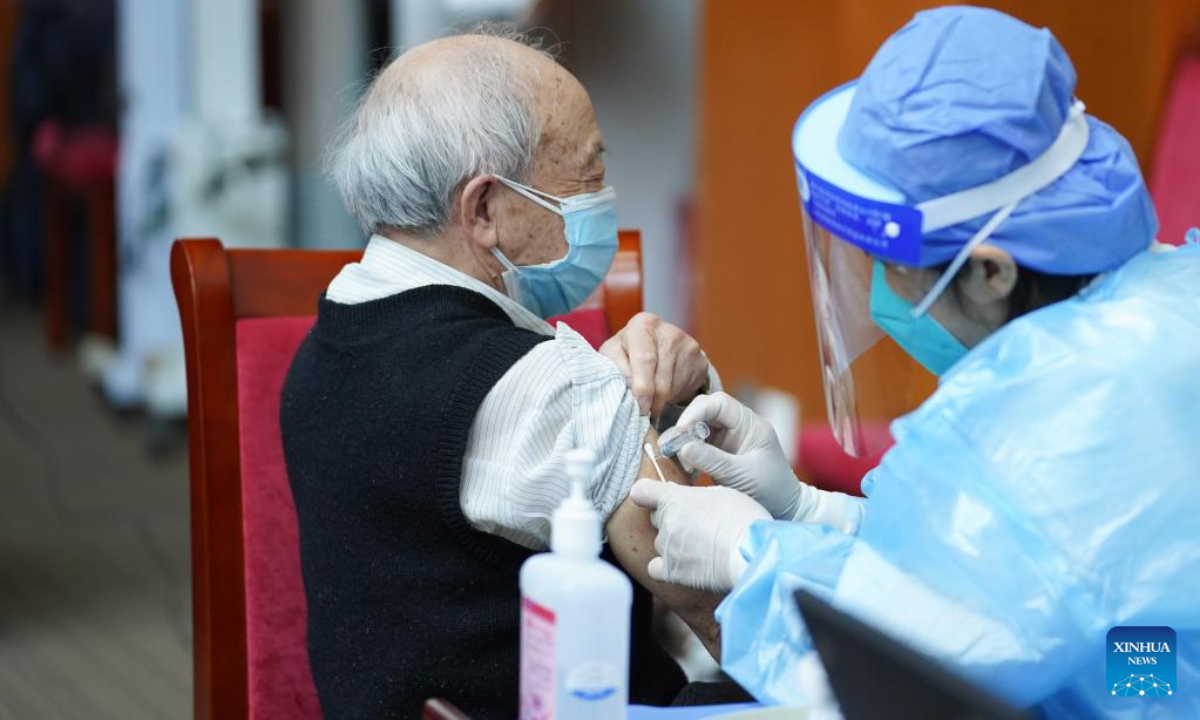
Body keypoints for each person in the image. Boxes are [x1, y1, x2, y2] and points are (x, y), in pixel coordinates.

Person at [630, 7, 1200, 717]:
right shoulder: (1157, 304)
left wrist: (747, 555)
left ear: (990, 271)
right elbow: (1010, 578)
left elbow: (888, 682)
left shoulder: (1064, 419)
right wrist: (812, 512)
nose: (877, 295)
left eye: (892, 265)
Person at [280, 28, 722, 718]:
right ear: (484, 209)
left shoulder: (328, 341)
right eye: (588, 174)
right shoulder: (552, 389)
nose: (603, 196)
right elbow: (736, 618)